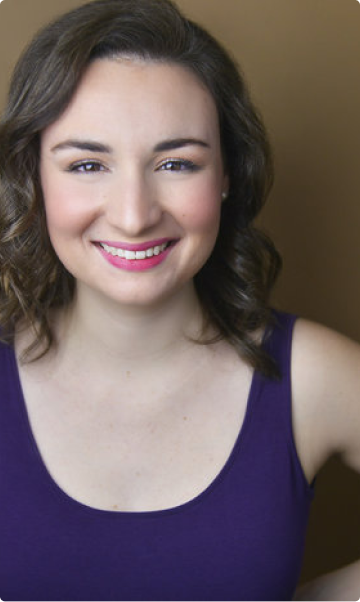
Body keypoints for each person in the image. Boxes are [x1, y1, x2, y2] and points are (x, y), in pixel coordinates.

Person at [0, 0, 359, 600]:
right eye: (88, 164)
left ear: (225, 175)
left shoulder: (312, 375)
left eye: (176, 162)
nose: (135, 215)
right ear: (34, 179)